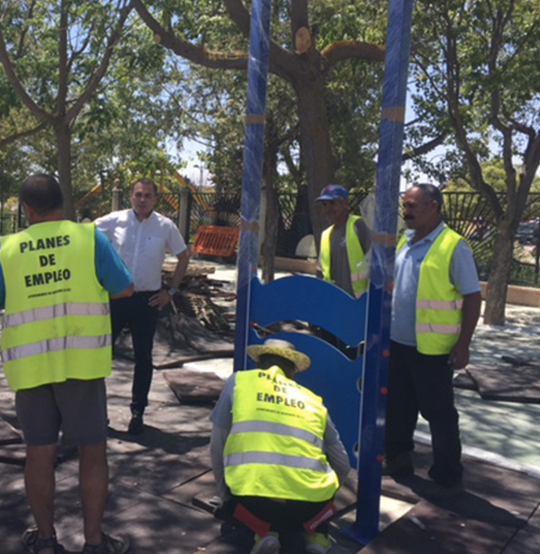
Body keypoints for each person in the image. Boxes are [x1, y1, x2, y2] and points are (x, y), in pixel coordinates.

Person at [0, 173, 133, 554]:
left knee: (39, 453)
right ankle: (94, 542)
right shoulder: (89, 238)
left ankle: (46, 540)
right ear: (64, 202)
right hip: (81, 364)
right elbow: (124, 287)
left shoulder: (12, 249)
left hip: (31, 369)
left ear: (27, 210)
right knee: (92, 451)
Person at [383, 183, 481, 496]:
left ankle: (448, 472)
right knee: (398, 407)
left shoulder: (454, 246)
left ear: (433, 206)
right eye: (405, 205)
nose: (406, 211)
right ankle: (398, 459)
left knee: (438, 413)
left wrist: (463, 344)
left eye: (412, 206)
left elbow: (472, 297)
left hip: (433, 349)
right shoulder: (405, 241)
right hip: (398, 344)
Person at [210, 339, 350, 554]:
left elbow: (217, 444)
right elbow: (342, 463)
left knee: (244, 496)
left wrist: (225, 497)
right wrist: (324, 494)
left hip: (255, 504)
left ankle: (265, 534)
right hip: (309, 508)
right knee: (322, 483)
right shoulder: (312, 399)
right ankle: (317, 536)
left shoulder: (239, 382)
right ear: (293, 372)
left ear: (259, 365)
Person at [94, 179, 190, 434]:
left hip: (147, 301)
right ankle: (96, 413)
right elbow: (86, 237)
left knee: (144, 358)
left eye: (147, 195)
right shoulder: (114, 220)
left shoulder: (165, 226)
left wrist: (170, 291)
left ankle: (138, 411)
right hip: (115, 298)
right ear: (131, 196)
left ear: (155, 199)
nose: (142, 199)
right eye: (138, 194)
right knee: (100, 356)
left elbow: (183, 256)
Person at [315, 184, 370, 298]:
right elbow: (321, 272)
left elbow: (377, 264)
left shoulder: (358, 226)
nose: (328, 209)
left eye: (333, 203)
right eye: (324, 205)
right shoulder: (325, 235)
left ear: (346, 204)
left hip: (359, 302)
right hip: (334, 303)